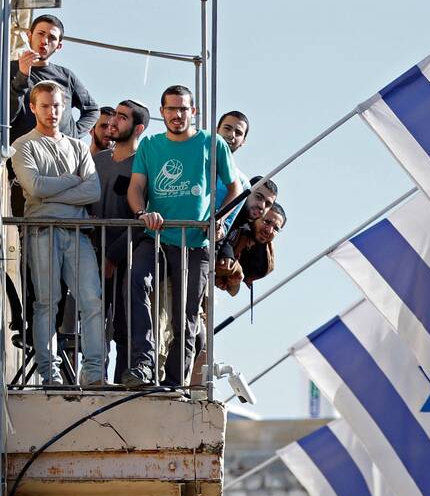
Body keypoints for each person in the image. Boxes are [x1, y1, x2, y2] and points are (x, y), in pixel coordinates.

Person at [121, 85, 240, 387]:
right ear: (162, 113)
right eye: (171, 109)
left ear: (193, 112)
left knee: (184, 318)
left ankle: (175, 383)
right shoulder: (150, 145)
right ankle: (143, 366)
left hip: (196, 243)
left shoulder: (212, 144)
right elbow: (135, 188)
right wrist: (141, 213)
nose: (177, 115)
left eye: (183, 109)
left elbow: (236, 189)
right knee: (136, 282)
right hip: (157, 237)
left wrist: (217, 220)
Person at [11, 80, 103, 385]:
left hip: (76, 233)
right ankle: (49, 375)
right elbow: (34, 186)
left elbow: (93, 190)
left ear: (65, 108)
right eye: (46, 105)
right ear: (34, 107)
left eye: (57, 105)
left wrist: (51, 192)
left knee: (92, 302)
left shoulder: (78, 146)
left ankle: (93, 375)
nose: (52, 111)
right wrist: (71, 179)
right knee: (46, 303)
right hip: (42, 232)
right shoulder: (23, 145)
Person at [92, 99, 150, 378]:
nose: (113, 121)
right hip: (90, 252)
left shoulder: (144, 165)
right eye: (114, 115)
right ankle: (93, 378)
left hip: (125, 257)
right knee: (91, 321)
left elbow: (143, 220)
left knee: (123, 326)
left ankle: (123, 381)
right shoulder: (97, 160)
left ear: (138, 128)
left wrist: (114, 255)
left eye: (122, 117)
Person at [9, 15, 99, 142]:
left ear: (59, 46)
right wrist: (22, 76)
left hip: (60, 156)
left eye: (52, 38)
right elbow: (6, 117)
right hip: (22, 154)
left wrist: (72, 133)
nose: (45, 41)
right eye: (40, 33)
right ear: (29, 36)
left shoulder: (66, 76)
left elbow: (92, 109)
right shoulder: (7, 69)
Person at [215, 200, 285, 296]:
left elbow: (233, 290)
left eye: (276, 229)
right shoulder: (236, 226)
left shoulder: (262, 254)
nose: (269, 230)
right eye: (266, 222)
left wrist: (234, 279)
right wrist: (233, 268)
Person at [215, 111, 251, 236]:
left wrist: (218, 230)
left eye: (238, 133)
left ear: (243, 141)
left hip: (204, 245)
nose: (231, 135)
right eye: (227, 128)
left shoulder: (242, 183)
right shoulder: (195, 162)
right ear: (216, 130)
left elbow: (226, 226)